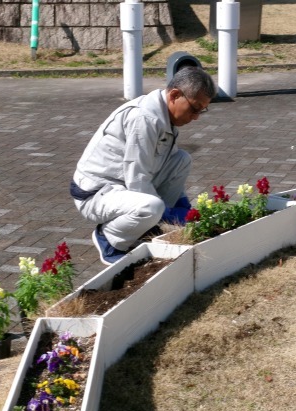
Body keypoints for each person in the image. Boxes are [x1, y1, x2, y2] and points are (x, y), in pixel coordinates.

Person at [70, 67, 217, 265]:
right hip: (95, 194)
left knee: (182, 160)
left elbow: (166, 163)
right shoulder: (144, 119)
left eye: (202, 110)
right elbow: (137, 178)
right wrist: (165, 213)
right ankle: (110, 238)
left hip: (121, 185)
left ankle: (144, 224)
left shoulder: (166, 117)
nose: (197, 116)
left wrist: (182, 205)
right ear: (174, 95)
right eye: (195, 108)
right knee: (152, 207)